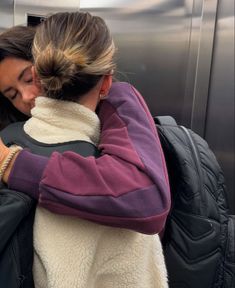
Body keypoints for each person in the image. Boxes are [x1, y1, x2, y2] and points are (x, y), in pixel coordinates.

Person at [0, 12, 169, 288]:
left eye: (28, 79)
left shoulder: (116, 98)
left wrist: (12, 164)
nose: (28, 97)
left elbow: (143, 194)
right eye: (12, 94)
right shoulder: (16, 134)